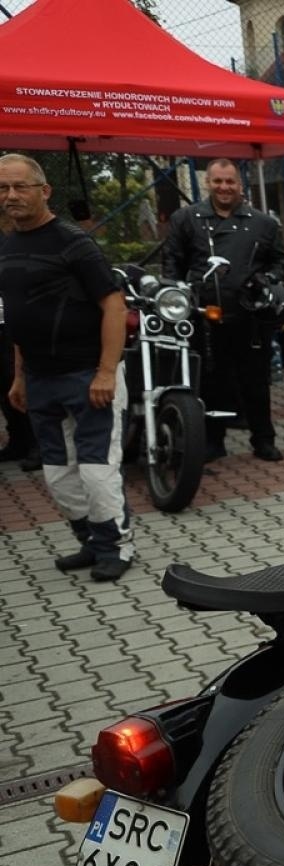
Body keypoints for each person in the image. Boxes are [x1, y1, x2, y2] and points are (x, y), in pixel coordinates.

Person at [0, 153, 135, 581]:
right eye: (3, 188)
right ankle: (92, 542)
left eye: (21, 186)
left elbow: (114, 304)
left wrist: (106, 371)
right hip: (40, 379)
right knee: (59, 476)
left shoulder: (73, 242)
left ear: (45, 191)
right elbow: (20, 317)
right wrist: (19, 376)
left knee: (96, 471)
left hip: (88, 376)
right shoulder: (8, 246)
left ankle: (118, 546)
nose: (12, 195)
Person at [163, 157, 284, 462]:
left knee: (256, 381)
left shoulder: (263, 222)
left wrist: (268, 278)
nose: (224, 187)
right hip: (203, 318)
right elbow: (172, 265)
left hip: (250, 317)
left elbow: (282, 261)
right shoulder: (186, 219)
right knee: (209, 381)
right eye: (218, 181)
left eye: (230, 181)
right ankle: (212, 440)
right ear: (207, 182)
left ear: (240, 184)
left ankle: (263, 439)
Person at [0, 209, 40, 470]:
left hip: (8, 318)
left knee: (13, 378)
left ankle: (38, 444)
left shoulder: (10, 237)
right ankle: (18, 441)